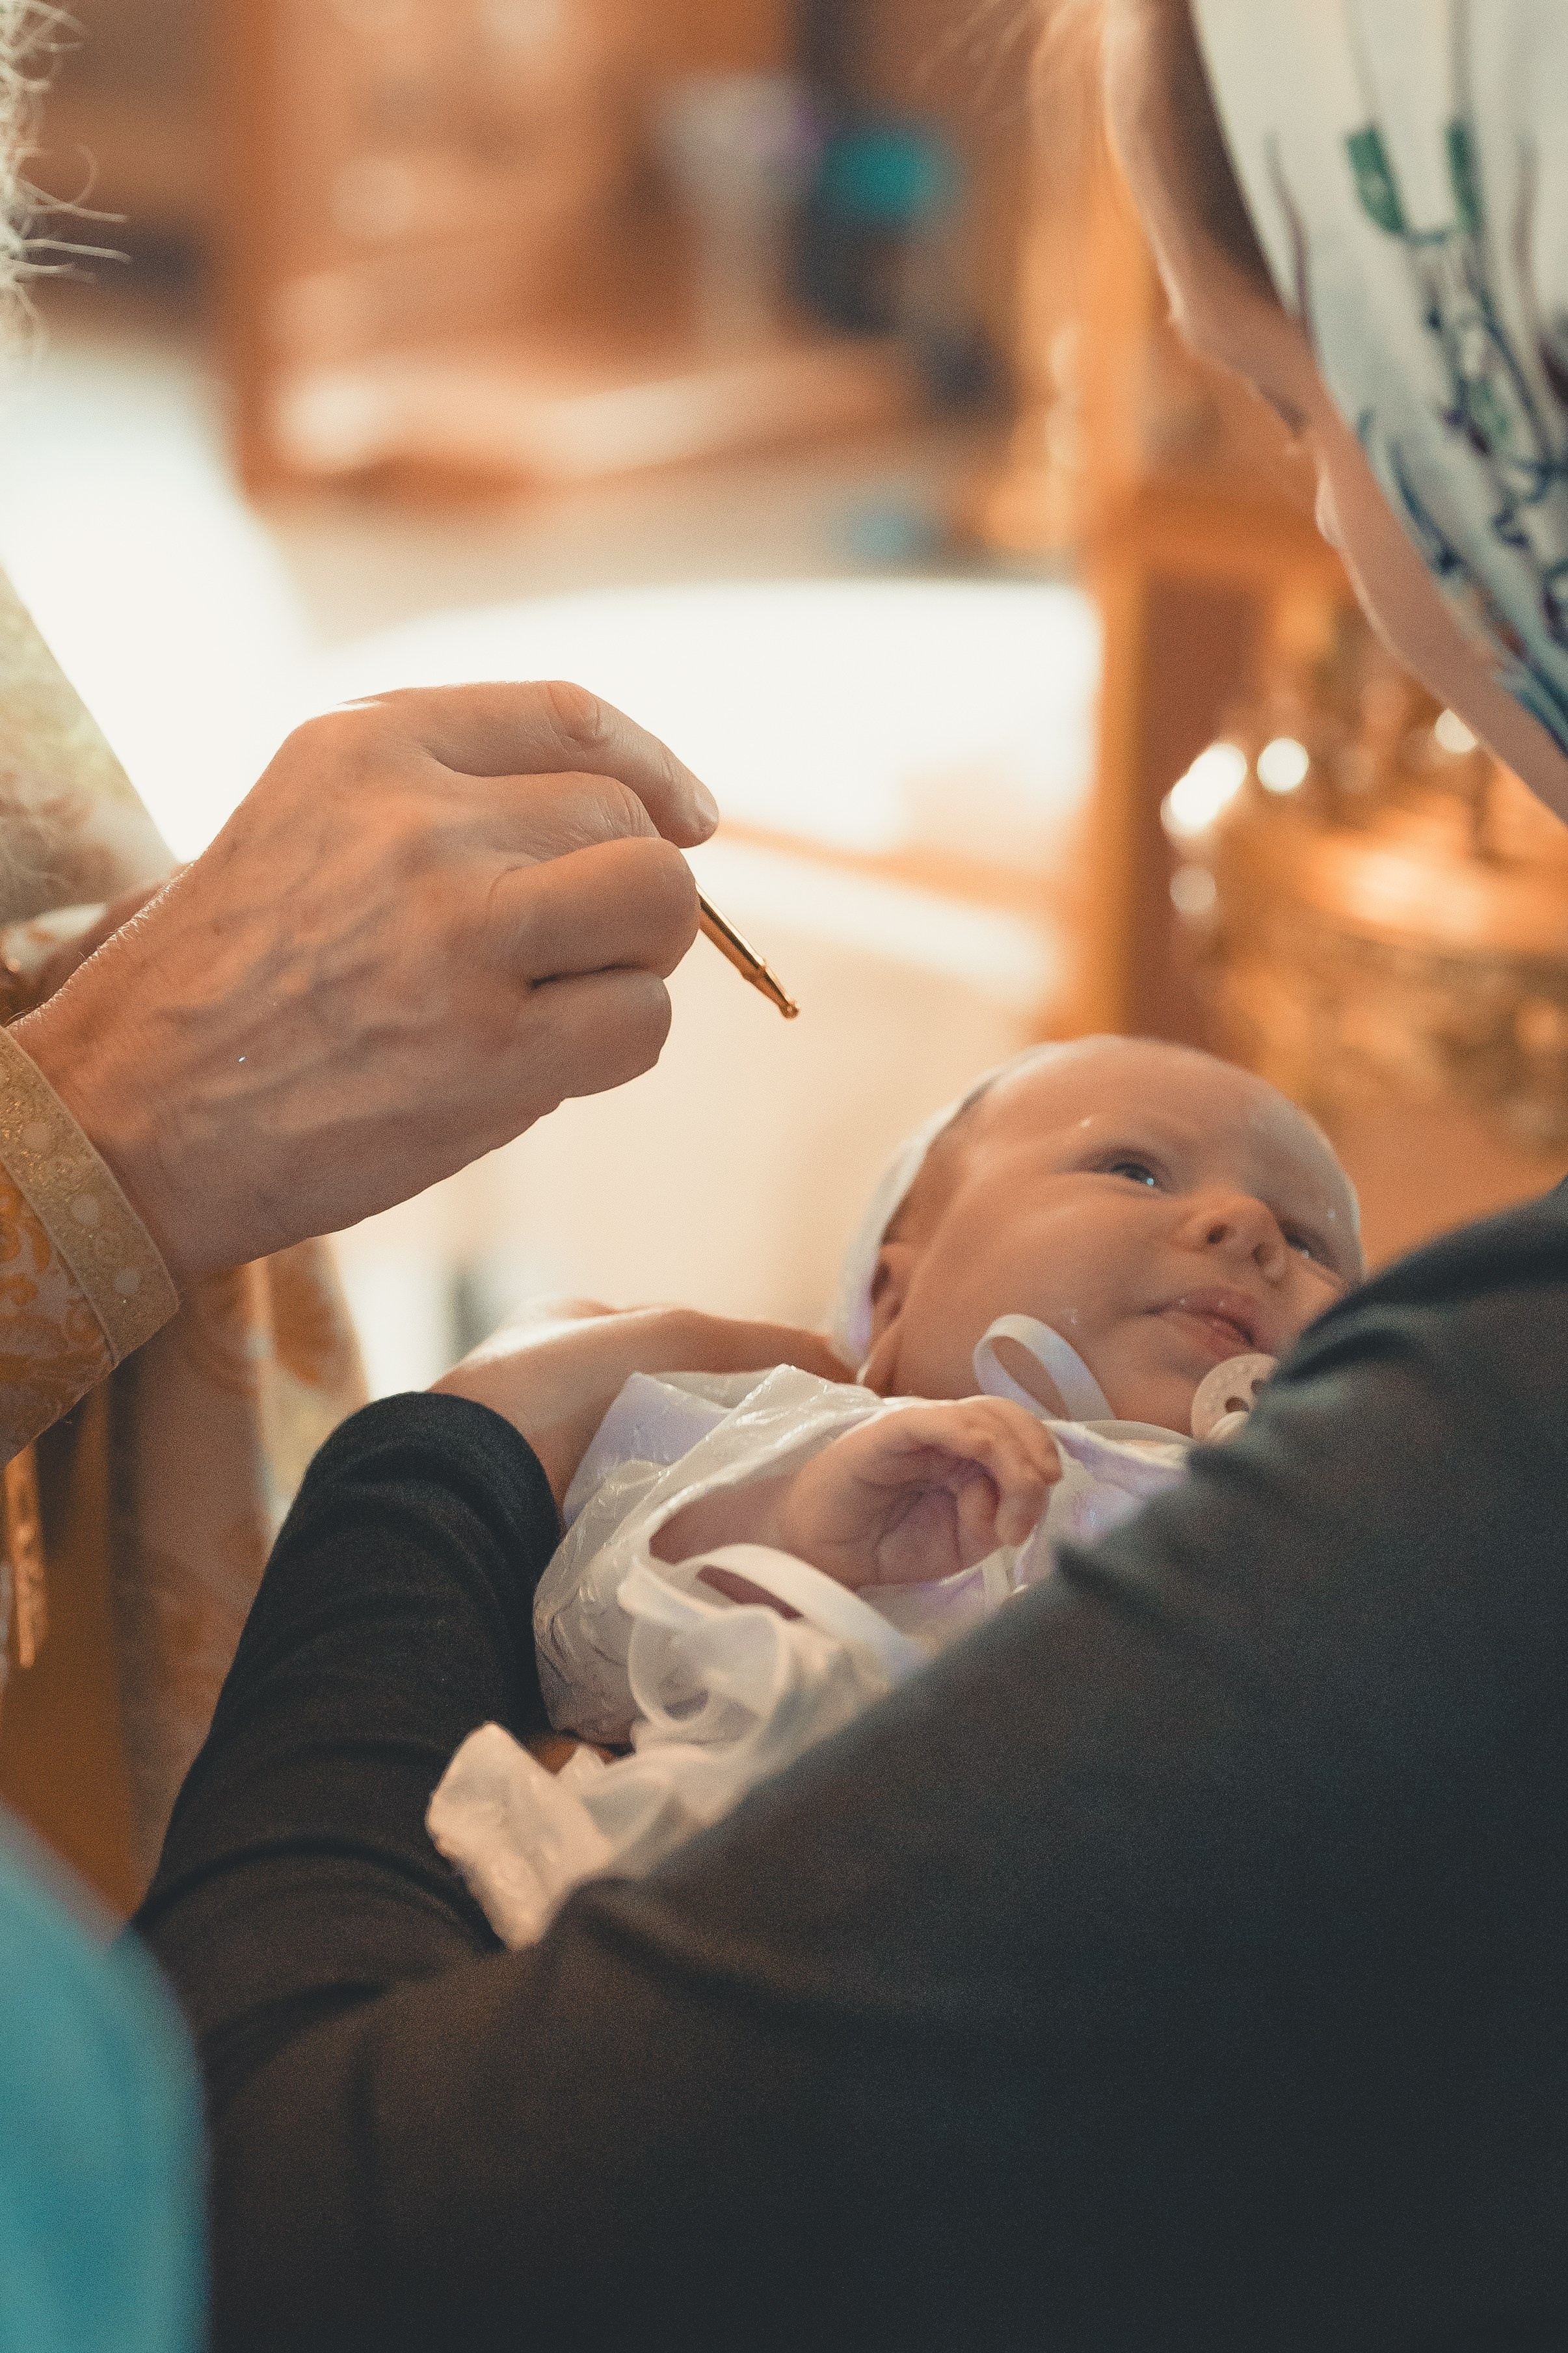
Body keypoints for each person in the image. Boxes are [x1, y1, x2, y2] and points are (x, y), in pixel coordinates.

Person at [132, 3, 1568, 2349]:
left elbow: (282, 2233)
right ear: (885, 1277)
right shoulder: (837, 1441)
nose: (1240, 1238)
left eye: (1317, 419)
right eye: (1132, 1161)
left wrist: (462, 1442)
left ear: (1492, 397)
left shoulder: (1456, 1502)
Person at [421, 1035, 1361, 1948]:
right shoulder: (814, 1439)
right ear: (893, 1298)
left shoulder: (1312, 1549)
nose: (1248, 1227)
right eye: (1135, 1170)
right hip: (755, 1929)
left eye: (1313, 1242)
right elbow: (579, 1644)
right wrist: (784, 1533)